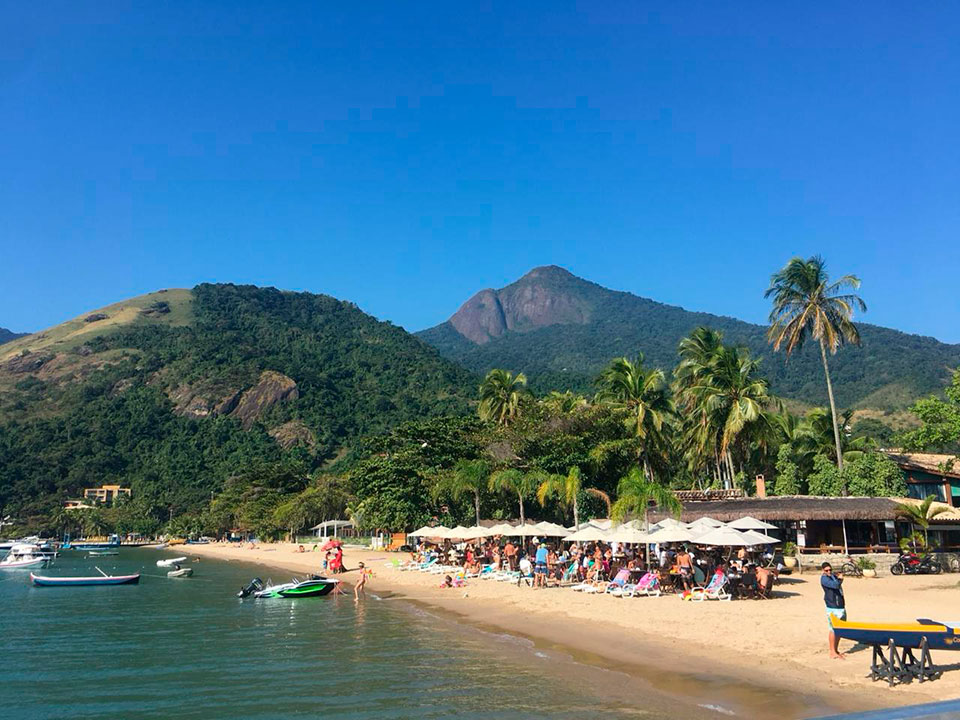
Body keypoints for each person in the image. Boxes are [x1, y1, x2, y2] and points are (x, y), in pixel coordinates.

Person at [821, 562, 847, 659]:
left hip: (840, 605)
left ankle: (836, 650)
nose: (829, 572)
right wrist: (840, 579)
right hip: (832, 607)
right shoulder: (824, 579)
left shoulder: (832, 576)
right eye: (826, 570)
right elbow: (835, 585)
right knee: (833, 629)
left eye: (830, 570)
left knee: (840, 630)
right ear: (823, 571)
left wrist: (837, 577)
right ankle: (832, 651)